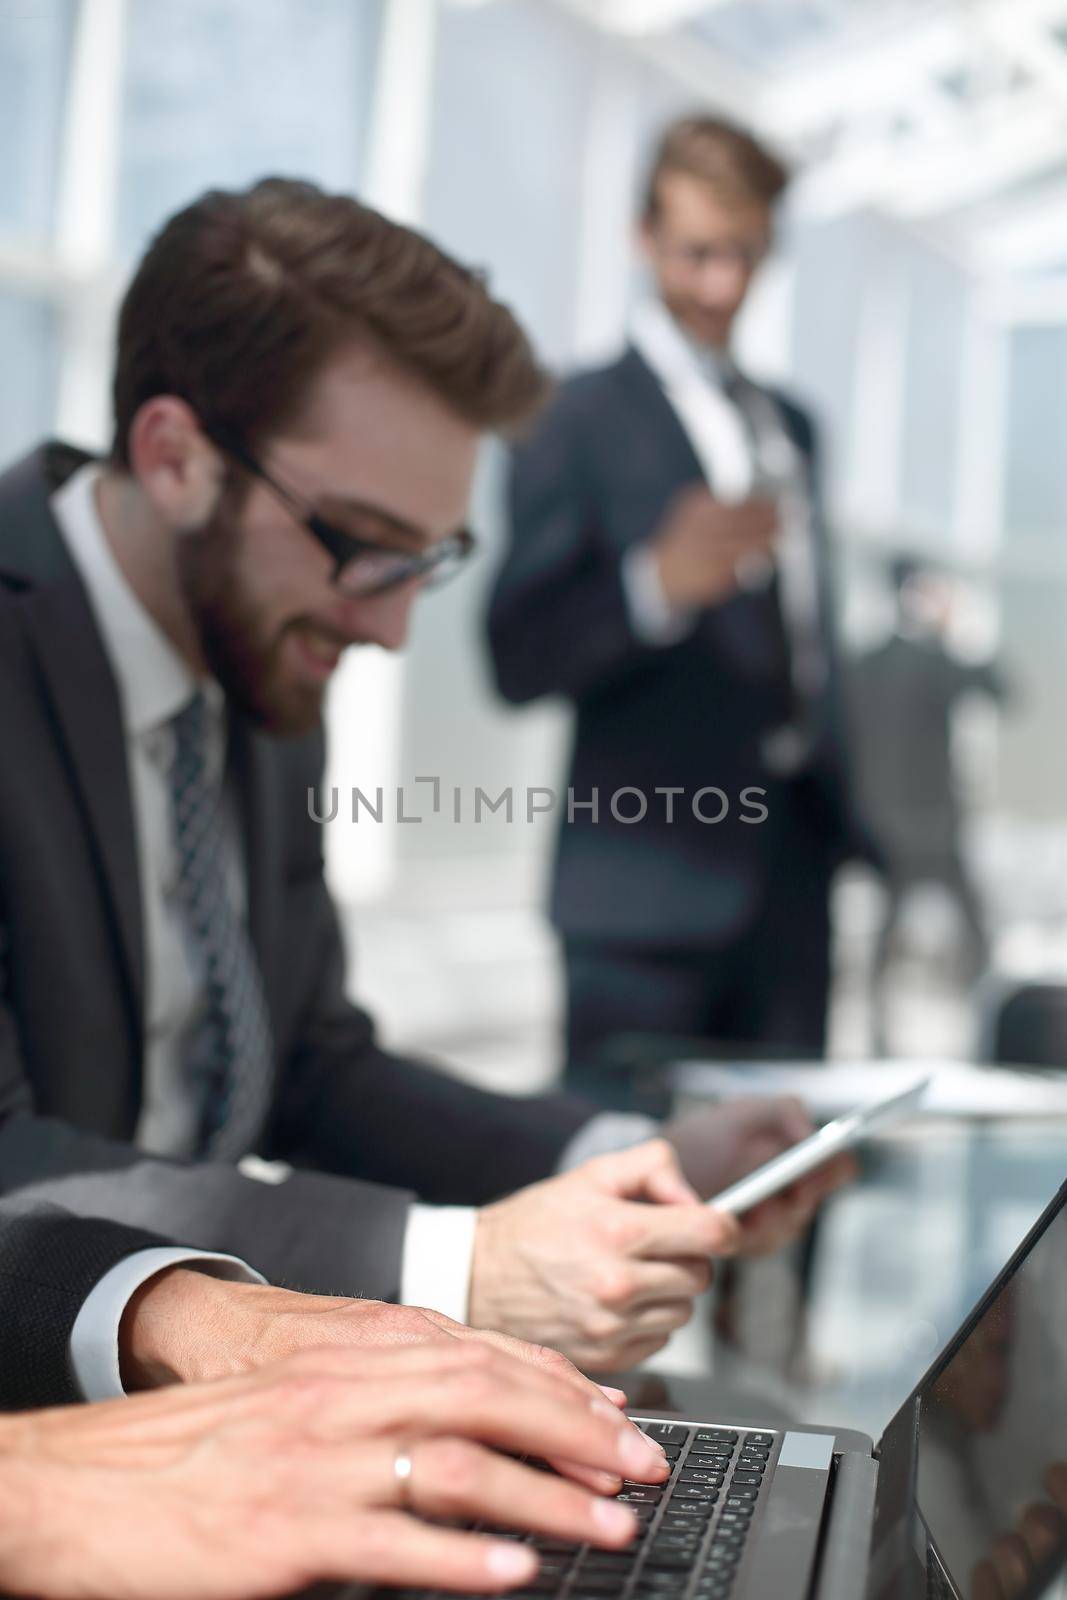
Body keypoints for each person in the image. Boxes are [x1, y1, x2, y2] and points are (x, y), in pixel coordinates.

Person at [0, 177, 850, 1386]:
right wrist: (450, 1266)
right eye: (359, 545)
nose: (391, 631)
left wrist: (633, 1147)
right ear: (175, 456)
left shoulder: (257, 656)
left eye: (426, 562)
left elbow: (308, 1065)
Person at [488, 115, 862, 1104]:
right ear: (640, 238)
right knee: (631, 1209)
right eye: (697, 252)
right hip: (642, 896)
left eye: (742, 254)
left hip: (790, 887)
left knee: (788, 1207)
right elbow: (514, 653)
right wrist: (651, 586)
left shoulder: (793, 427)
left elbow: (812, 646)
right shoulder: (569, 415)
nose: (720, 285)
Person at [849, 556, 1012, 1046]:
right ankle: (991, 1029)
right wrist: (952, 629)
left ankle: (876, 1035)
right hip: (933, 822)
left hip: (884, 822)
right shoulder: (936, 660)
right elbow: (1002, 690)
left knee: (888, 935)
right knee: (973, 933)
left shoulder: (862, 663)